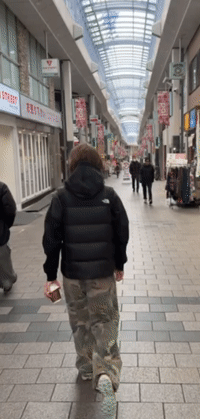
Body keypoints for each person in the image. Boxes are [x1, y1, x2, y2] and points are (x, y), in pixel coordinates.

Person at [42, 144, 129, 419]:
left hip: (72, 276)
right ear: (98, 164)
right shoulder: (109, 195)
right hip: (102, 273)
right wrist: (120, 262)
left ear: (72, 165)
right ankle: (106, 372)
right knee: (105, 321)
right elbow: (122, 230)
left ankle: (87, 368)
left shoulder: (60, 197)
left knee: (80, 324)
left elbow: (51, 239)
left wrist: (49, 275)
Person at [0, 182, 17, 292]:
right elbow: (10, 209)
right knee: (3, 256)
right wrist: (5, 226)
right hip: (0, 233)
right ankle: (7, 281)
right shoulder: (1, 187)